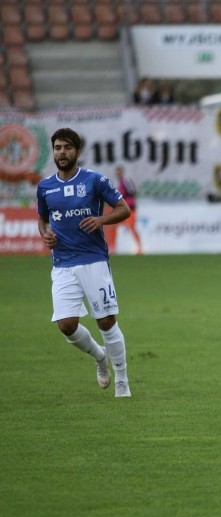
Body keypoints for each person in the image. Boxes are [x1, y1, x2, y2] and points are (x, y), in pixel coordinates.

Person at [36, 128, 133, 398]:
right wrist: (45, 234)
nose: (61, 152)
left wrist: (101, 220)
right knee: (66, 325)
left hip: (94, 261)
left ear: (78, 151)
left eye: (67, 147)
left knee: (106, 322)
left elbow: (124, 208)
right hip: (63, 264)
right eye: (57, 147)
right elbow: (42, 219)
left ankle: (122, 380)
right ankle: (100, 357)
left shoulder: (95, 181)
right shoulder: (45, 187)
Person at [114, 165, 143, 255]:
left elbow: (132, 191)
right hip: (122, 208)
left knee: (131, 227)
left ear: (122, 172)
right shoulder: (120, 182)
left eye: (119, 171)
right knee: (114, 226)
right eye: (116, 172)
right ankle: (113, 248)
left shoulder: (126, 180)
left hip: (129, 208)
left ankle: (139, 247)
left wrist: (125, 198)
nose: (117, 173)